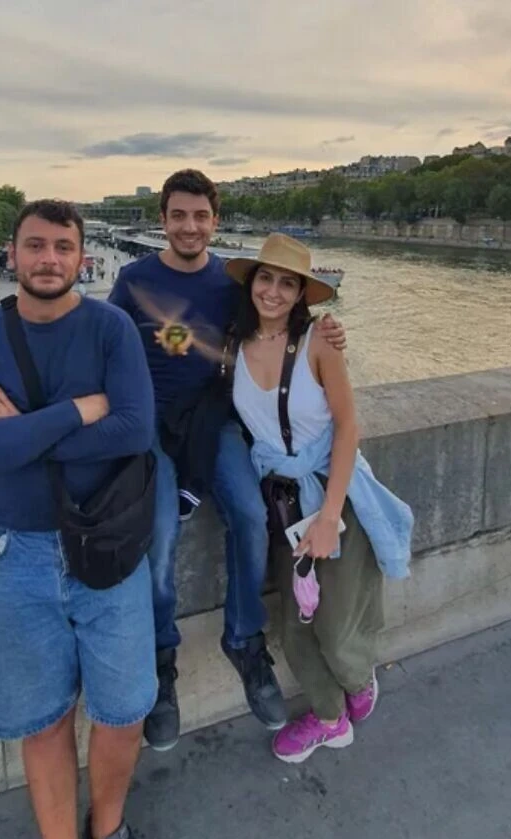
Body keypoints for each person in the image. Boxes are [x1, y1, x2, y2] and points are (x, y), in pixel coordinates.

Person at [0, 199, 159, 839]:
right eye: (35, 245)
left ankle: (106, 829)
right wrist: (75, 412)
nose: (49, 259)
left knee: (125, 712)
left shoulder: (112, 328)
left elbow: (135, 430)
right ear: (12, 253)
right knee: (45, 721)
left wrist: (18, 432)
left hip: (106, 543)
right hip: (16, 553)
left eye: (63, 247)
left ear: (82, 257)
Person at [108, 169, 348, 751]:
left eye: (200, 216)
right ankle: (162, 658)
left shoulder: (231, 284)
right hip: (151, 427)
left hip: (214, 421)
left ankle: (243, 639)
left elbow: (279, 320)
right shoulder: (132, 279)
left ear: (215, 221)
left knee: (249, 513)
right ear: (162, 220)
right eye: (179, 215)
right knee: (160, 533)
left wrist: (329, 332)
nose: (190, 227)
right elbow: (102, 341)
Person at [225, 233, 414, 763]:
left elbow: (348, 426)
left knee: (335, 627)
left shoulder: (320, 343)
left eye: (288, 284)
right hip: (282, 501)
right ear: (251, 282)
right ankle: (330, 718)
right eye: (266, 278)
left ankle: (358, 680)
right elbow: (170, 342)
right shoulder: (231, 345)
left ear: (302, 294)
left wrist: (330, 517)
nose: (274, 291)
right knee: (293, 627)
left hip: (334, 494)